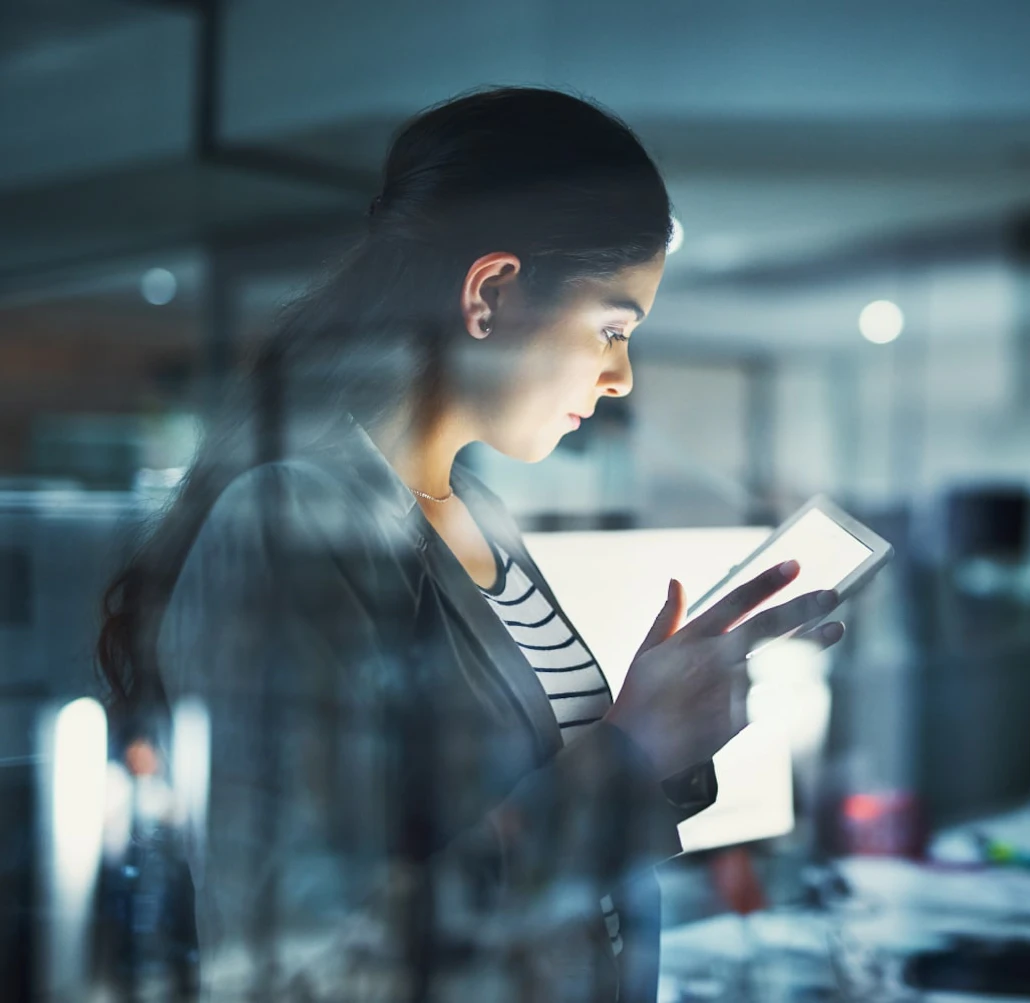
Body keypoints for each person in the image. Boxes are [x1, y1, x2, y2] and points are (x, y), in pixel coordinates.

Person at [97, 87, 844, 1002]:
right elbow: (309, 960)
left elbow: (550, 836)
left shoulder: (474, 512)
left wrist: (673, 727)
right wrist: (626, 753)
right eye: (612, 328)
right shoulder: (290, 523)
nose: (621, 378)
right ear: (490, 292)